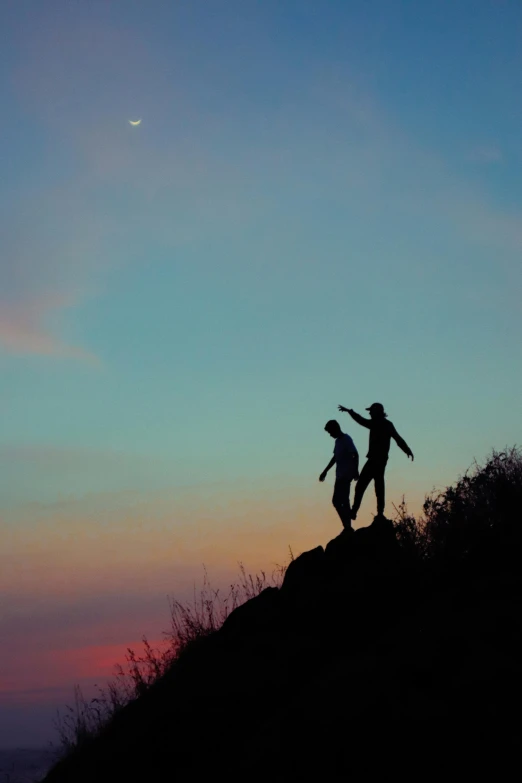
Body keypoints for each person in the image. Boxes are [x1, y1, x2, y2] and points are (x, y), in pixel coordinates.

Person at [338, 402, 414, 520]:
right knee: (374, 486)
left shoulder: (380, 424)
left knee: (368, 486)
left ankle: (360, 511)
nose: (369, 413)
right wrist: (350, 412)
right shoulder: (382, 424)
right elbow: (397, 439)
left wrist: (407, 450)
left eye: (371, 411)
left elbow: (397, 439)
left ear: (377, 411)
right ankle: (371, 512)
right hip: (377, 460)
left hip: (376, 460)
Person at [319, 420, 359, 530]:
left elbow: (355, 454)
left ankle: (348, 526)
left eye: (330, 432)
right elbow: (335, 457)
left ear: (335, 429)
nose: (330, 434)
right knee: (341, 501)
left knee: (339, 500)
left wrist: (356, 471)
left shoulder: (346, 439)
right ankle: (347, 525)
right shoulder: (338, 442)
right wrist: (325, 471)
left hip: (346, 475)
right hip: (340, 475)